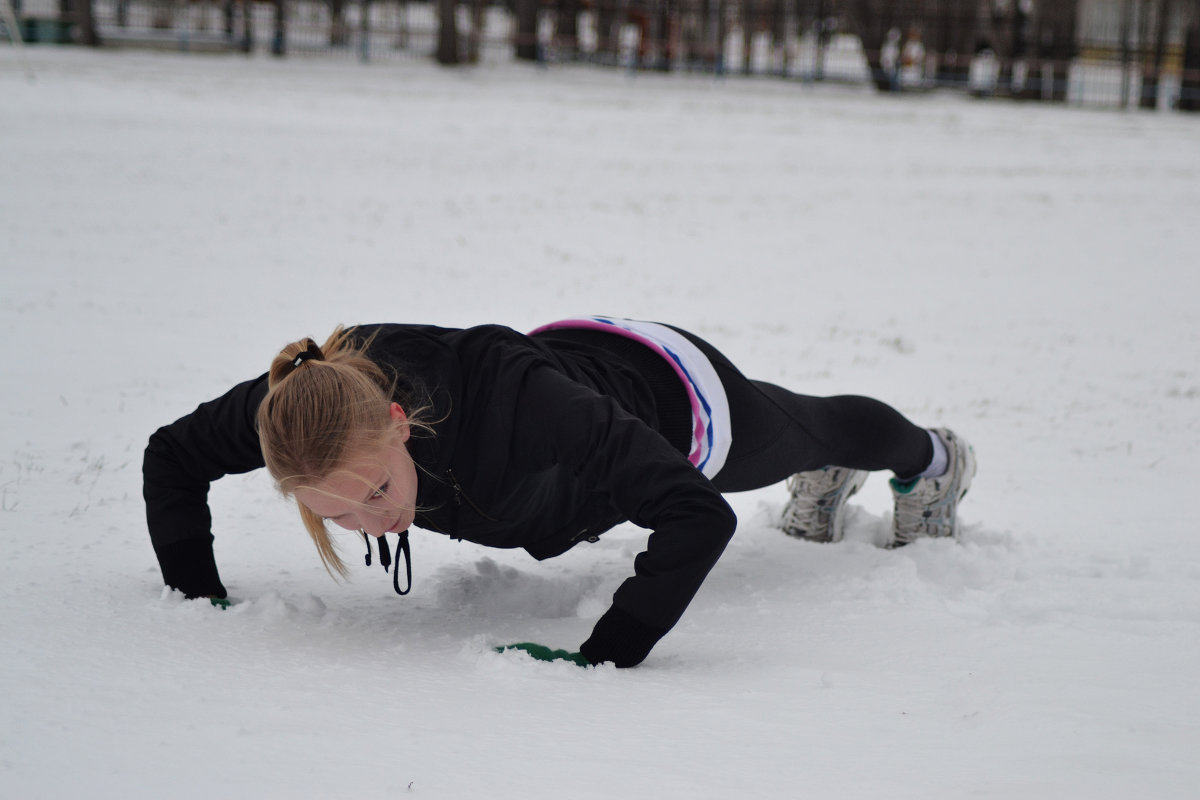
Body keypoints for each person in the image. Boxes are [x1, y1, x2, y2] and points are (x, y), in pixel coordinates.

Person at [143, 317, 975, 668]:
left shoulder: (528, 413)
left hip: (674, 399)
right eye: (336, 515)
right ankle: (830, 477)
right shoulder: (299, 412)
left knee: (818, 425)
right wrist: (197, 593)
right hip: (566, 365)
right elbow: (171, 458)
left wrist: (602, 658)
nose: (375, 520)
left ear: (399, 423)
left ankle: (935, 461)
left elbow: (696, 516)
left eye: (376, 492)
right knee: (812, 435)